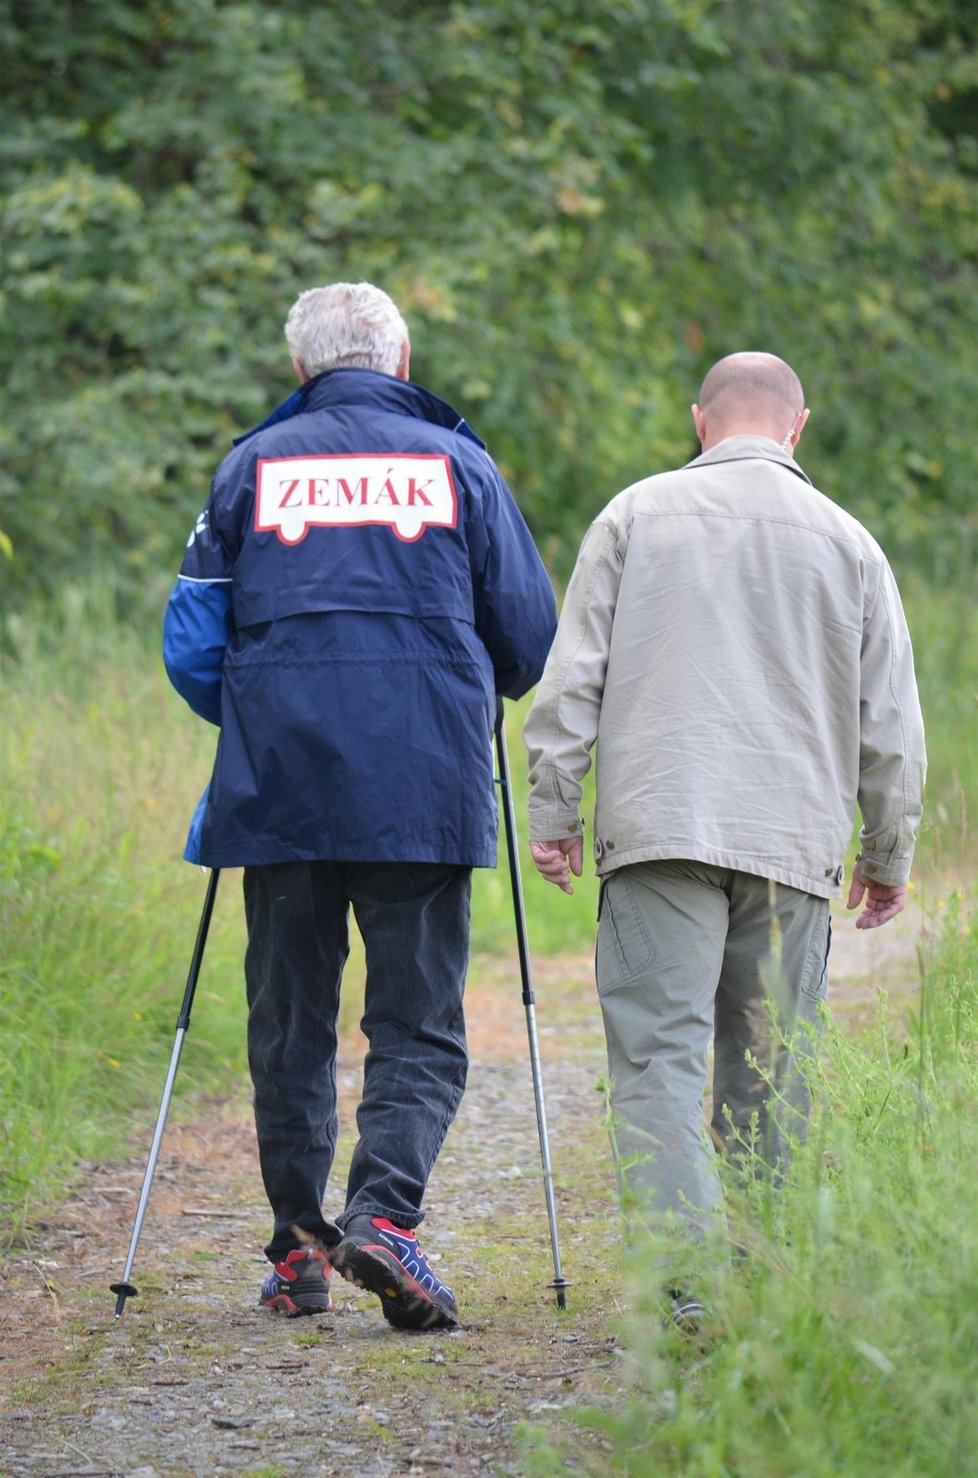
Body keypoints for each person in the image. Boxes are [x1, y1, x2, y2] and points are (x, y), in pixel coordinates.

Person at [163, 282, 557, 1330]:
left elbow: (193, 640)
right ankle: (384, 1220)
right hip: (425, 785)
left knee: (291, 1020)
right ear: (402, 355)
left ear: (302, 367)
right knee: (416, 1020)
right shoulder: (461, 466)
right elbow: (528, 635)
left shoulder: (252, 465)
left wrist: (259, 710)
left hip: (278, 788)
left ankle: (299, 1247)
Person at [523, 351, 925, 1323]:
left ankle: (687, 1281)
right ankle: (760, 1284)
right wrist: (887, 855)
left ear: (702, 420)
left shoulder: (632, 516)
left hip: (659, 827)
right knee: (771, 1063)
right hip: (790, 843)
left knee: (659, 1058)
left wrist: (554, 810)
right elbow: (891, 725)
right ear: (798, 425)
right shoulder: (850, 542)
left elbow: (571, 679)